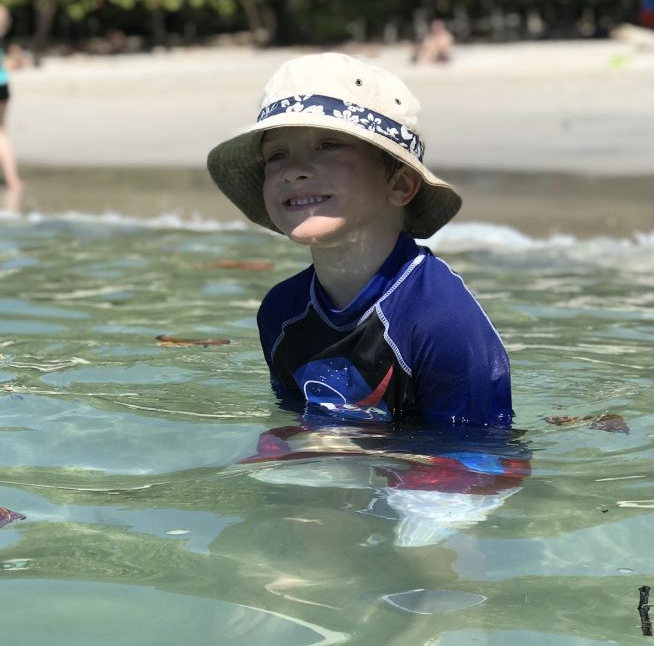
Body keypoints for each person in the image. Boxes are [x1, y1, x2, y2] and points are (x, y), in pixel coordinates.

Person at [207, 51, 512, 430]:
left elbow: (479, 459)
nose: (294, 172)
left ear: (400, 184)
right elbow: (291, 420)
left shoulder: (441, 320)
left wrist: (358, 455)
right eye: (277, 155)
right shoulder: (281, 312)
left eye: (328, 146)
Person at [0, 6, 24, 197]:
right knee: (1, 131)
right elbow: (15, 63)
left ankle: (11, 178)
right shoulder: (7, 41)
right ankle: (12, 179)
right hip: (3, 85)